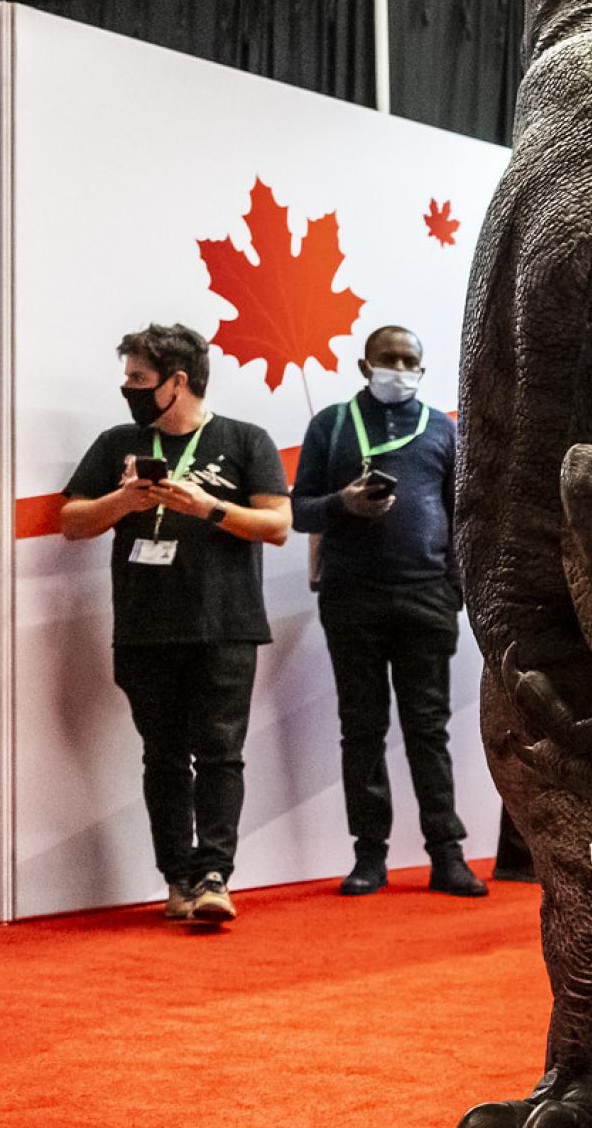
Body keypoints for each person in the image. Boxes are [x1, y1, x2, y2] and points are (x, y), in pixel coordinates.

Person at [60, 323, 290, 926]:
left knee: (220, 753)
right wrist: (123, 501)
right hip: (144, 624)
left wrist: (207, 507)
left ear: (177, 381)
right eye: (129, 377)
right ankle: (177, 878)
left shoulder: (246, 440)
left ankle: (216, 875)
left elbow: (277, 525)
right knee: (162, 755)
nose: (128, 388)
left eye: (139, 378)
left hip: (226, 624)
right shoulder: (118, 444)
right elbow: (71, 520)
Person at [289, 327, 485, 900]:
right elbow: (299, 512)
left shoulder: (443, 429)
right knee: (362, 728)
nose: (399, 368)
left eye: (410, 361)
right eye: (388, 359)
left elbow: (462, 513)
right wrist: (342, 504)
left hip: (427, 597)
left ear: (422, 369)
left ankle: (447, 856)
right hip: (351, 599)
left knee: (429, 730)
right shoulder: (330, 424)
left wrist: (455, 590)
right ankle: (368, 858)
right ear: (364, 364)